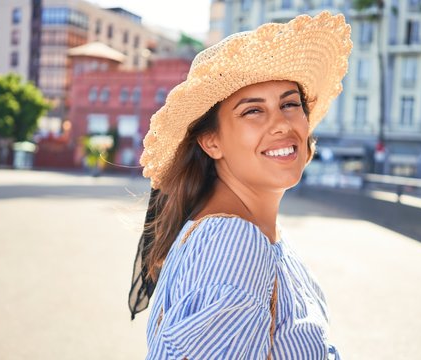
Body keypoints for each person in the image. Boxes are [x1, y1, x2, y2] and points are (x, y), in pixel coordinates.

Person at [128, 12, 352, 359]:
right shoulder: (235, 243)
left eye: (290, 104)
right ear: (211, 141)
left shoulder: (254, 236)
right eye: (252, 111)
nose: (281, 124)